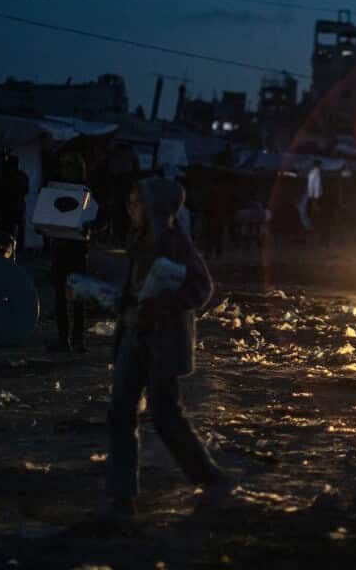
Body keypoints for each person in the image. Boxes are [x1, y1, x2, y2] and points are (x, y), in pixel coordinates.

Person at [106, 177, 232, 517]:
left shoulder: (176, 244)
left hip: (162, 342)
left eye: (137, 202)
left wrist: (164, 304)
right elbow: (133, 289)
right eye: (131, 202)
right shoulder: (138, 241)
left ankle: (208, 476)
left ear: (155, 208)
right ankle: (121, 494)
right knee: (121, 412)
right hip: (133, 336)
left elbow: (202, 288)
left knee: (164, 415)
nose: (131, 208)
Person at [48, 153, 90, 353]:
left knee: (75, 297)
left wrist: (89, 227)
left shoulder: (84, 192)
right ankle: (66, 339)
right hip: (62, 248)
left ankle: (76, 339)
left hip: (75, 249)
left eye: (69, 165)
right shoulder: (58, 190)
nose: (65, 169)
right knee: (62, 297)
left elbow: (96, 217)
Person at [0, 153, 30, 254]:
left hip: (7, 209)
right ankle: (14, 251)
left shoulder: (3, 176)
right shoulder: (22, 176)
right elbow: (25, 191)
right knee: (14, 231)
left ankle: (5, 251)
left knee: (5, 231)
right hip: (15, 209)